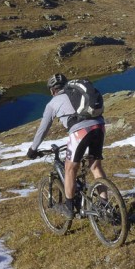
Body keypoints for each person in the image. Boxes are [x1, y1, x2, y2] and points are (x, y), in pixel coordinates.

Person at [26, 73, 107, 218]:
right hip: (99, 125)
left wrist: (33, 149)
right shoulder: (77, 94)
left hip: (80, 131)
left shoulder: (52, 103)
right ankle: (105, 204)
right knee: (95, 166)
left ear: (52, 90)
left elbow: (43, 129)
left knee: (70, 168)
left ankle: (69, 207)